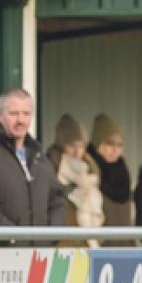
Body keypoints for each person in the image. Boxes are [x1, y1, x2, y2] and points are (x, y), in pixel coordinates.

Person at [0, 89, 65, 240]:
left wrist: (52, 235)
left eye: (26, 113)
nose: (20, 120)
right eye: (14, 114)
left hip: (38, 257)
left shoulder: (39, 157)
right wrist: (11, 236)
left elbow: (56, 199)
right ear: (1, 116)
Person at [46, 114, 104, 245]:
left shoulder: (91, 172)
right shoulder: (50, 169)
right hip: (61, 248)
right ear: (61, 145)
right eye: (72, 146)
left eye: (81, 146)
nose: (77, 152)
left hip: (88, 245)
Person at [88, 113, 133, 229]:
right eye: (110, 143)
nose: (114, 150)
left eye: (119, 145)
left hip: (123, 242)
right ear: (98, 142)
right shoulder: (87, 170)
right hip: (97, 242)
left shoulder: (122, 172)